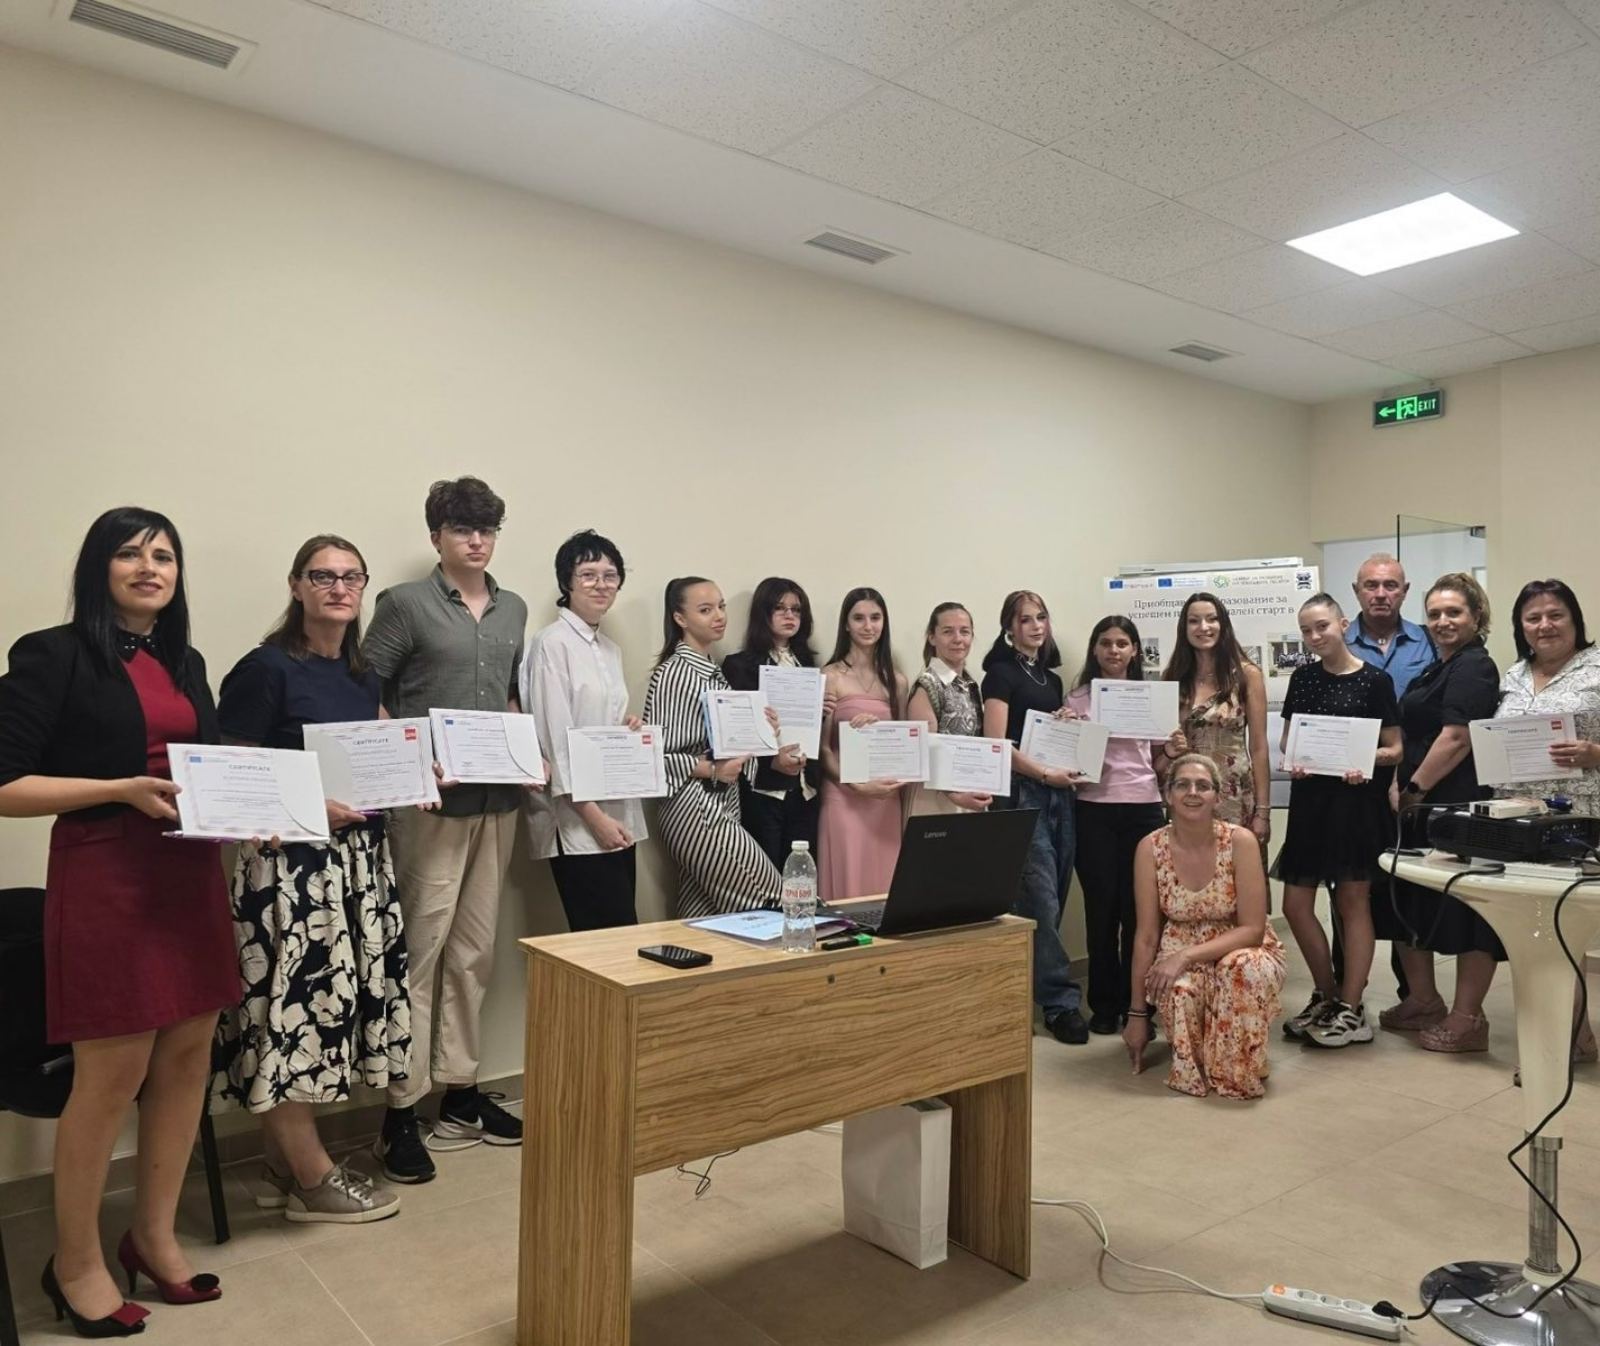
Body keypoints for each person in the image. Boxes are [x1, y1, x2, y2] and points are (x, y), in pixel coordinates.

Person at [0, 508, 237, 1334]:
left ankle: (153, 1236)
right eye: (130, 553)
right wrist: (118, 791)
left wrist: (280, 809)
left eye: (164, 554)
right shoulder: (52, 653)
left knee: (187, 1057)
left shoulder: (185, 660)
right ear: (98, 568)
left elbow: (212, 769)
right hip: (107, 872)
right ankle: (74, 1262)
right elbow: (5, 785)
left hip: (190, 875)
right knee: (110, 1076)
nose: (149, 567)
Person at [214, 534, 405, 1223]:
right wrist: (308, 805)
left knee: (328, 1017)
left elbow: (375, 753)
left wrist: (416, 770)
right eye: (322, 576)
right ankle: (314, 1176)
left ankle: (282, 1166)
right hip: (291, 872)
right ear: (296, 586)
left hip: (354, 865)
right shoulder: (265, 668)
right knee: (290, 1015)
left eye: (351, 576)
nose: (338, 587)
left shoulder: (361, 673)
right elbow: (230, 777)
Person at [362, 476, 529, 1185]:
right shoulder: (404, 604)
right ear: (437, 535)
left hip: (499, 800)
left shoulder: (515, 608)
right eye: (463, 528)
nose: (477, 540)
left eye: (486, 529)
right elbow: (364, 691)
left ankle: (460, 1092)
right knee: (421, 952)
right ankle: (401, 1110)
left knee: (475, 954)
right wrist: (410, 767)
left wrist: (527, 753)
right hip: (430, 809)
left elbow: (510, 695)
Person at [1378, 574, 1503, 1053]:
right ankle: (1424, 1001)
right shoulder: (1437, 667)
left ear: (1476, 616)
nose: (1443, 621)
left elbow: (1457, 737)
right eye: (1434, 614)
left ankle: (1468, 1019)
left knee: (1466, 913)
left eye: (1454, 612)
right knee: (1410, 902)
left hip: (1453, 806)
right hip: (1419, 807)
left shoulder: (1475, 667)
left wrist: (1414, 789)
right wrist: (1401, 785)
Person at [1277, 593, 1401, 1049]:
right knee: (1295, 905)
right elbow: (1289, 741)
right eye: (1306, 630)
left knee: (1353, 904)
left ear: (1344, 624)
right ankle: (1326, 994)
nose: (1314, 636)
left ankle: (1351, 1008)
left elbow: (1395, 749)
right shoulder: (1303, 678)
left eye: (1322, 626)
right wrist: (1297, 757)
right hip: (1310, 804)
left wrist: (1363, 758)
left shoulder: (1375, 681)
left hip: (1356, 806)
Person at [1123, 754, 1286, 1099]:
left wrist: (1185, 956)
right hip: (1178, 947)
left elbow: (1253, 929)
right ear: (1168, 795)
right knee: (1178, 989)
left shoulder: (1240, 841)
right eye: (1182, 784)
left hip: (1241, 947)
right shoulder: (1149, 848)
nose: (1193, 792)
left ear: (1217, 796)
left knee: (1241, 969)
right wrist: (1137, 1014)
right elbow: (1146, 936)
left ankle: (1237, 1068)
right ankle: (1203, 1059)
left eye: (1203, 786)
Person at [1495, 578, 1600, 1064]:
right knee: (1538, 931)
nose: (1544, 625)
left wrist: (1594, 753)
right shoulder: (1513, 674)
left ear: (1575, 619)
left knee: (1565, 929)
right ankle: (1570, 1037)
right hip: (1521, 819)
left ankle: (1563, 1043)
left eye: (1555, 614)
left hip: (1581, 820)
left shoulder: (1597, 668)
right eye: (1533, 617)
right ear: (1521, 626)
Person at [521, 530, 648, 931]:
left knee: (623, 934)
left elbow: (597, 721)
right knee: (600, 940)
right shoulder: (551, 644)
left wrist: (627, 727)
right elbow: (554, 739)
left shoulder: (609, 649)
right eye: (588, 575)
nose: (601, 584)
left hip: (618, 810)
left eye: (610, 576)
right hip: (578, 818)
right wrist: (594, 818)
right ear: (567, 582)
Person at [980, 591, 1087, 1045]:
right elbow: (997, 744)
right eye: (1025, 620)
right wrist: (1043, 773)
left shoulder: (1050, 678)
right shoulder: (1000, 675)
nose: (1036, 626)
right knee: (1039, 899)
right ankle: (1060, 1003)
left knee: (1055, 896)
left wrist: (1061, 721)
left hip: (1059, 794)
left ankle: (1034, 988)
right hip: (1023, 795)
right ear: (1009, 627)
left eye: (1041, 617)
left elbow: (1040, 734)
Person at [1068, 616, 1182, 1036]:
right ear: (1094, 649)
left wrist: (1172, 751)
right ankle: (1103, 1004)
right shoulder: (1077, 699)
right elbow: (1069, 761)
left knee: (1140, 912)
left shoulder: (1151, 698)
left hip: (1143, 809)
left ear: (1135, 650)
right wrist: (1067, 732)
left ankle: (1139, 1003)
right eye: (1105, 643)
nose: (1113, 651)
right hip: (1093, 809)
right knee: (1101, 910)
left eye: (1122, 643)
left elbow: (1156, 764)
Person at [644, 577, 784, 917]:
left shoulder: (712, 672)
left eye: (721, 606)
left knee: (703, 917)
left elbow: (727, 743)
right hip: (694, 805)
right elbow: (653, 755)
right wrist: (712, 769)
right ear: (680, 618)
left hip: (721, 802)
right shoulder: (675, 674)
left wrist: (763, 731)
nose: (719, 616)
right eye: (706, 610)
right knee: (774, 902)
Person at [818, 587, 910, 901]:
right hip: (844, 796)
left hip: (885, 797)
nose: (868, 626)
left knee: (885, 888)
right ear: (846, 624)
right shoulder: (830, 676)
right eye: (859, 618)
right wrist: (857, 785)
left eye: (875, 617)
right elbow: (823, 749)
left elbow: (904, 746)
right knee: (848, 885)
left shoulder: (897, 681)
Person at [721, 577, 818, 869]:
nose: (790, 616)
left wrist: (824, 707)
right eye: (779, 608)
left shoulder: (809, 665)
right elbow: (734, 733)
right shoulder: (739, 665)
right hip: (763, 790)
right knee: (767, 876)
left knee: (801, 876)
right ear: (763, 613)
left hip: (805, 789)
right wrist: (771, 761)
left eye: (796, 609)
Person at [1161, 592, 1271, 849]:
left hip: (1233, 794)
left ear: (1223, 624)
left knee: (1239, 867)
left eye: (1211, 619)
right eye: (1194, 621)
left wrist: (1263, 811)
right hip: (1186, 793)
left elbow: (1258, 747)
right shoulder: (1172, 677)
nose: (1204, 627)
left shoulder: (1246, 675)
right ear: (1184, 628)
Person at [907, 603, 992, 816]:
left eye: (964, 631)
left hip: (969, 795)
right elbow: (923, 750)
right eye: (947, 632)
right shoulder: (927, 684)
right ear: (932, 637)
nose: (958, 639)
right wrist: (954, 794)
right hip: (937, 799)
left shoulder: (971, 684)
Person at [1348, 553, 1438, 698]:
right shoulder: (1338, 642)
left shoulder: (1430, 640)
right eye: (1371, 586)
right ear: (1356, 590)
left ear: (1405, 591)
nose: (1380, 594)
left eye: (1390, 586)